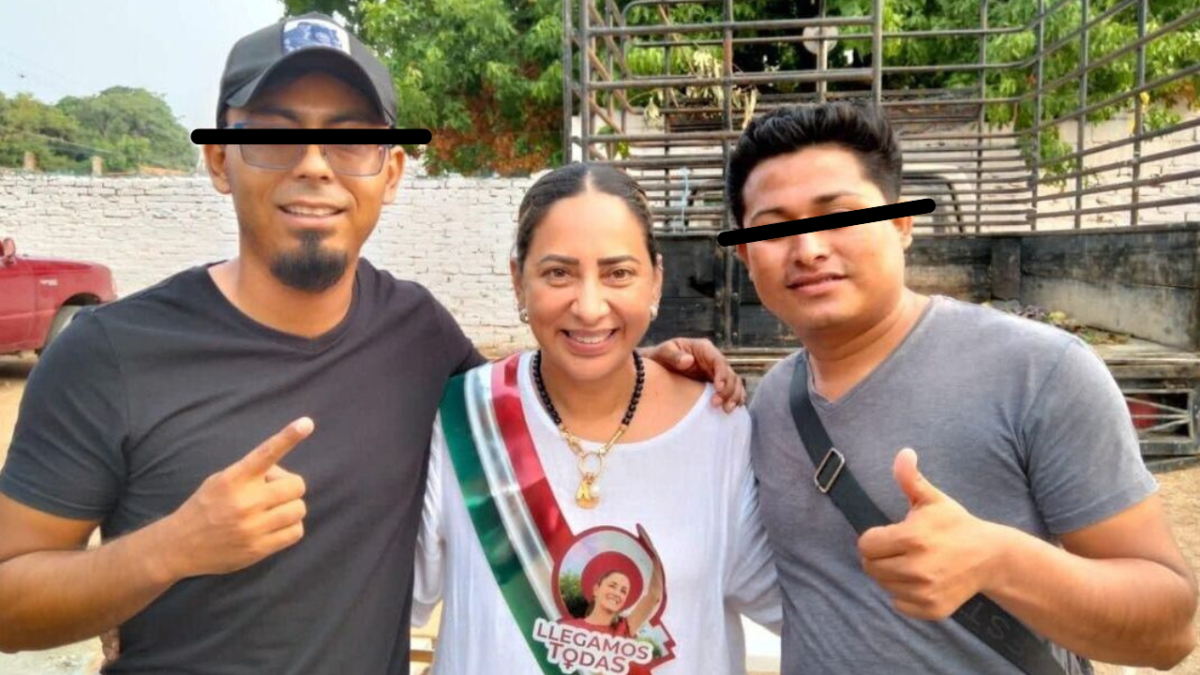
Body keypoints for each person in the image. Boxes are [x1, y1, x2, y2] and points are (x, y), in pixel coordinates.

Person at [0, 13, 743, 674]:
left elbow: (542, 391)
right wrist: (169, 549)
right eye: (275, 133)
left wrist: (639, 360)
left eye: (351, 138)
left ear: (390, 171)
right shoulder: (108, 354)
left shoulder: (419, 334)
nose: (314, 163)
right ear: (220, 158)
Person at [728, 101, 1198, 674]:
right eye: (774, 228)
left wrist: (999, 561)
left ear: (901, 224)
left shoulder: (1038, 372)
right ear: (746, 253)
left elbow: (1170, 632)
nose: (808, 249)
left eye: (839, 215)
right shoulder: (773, 401)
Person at [413, 163, 781, 675]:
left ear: (656, 280)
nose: (589, 307)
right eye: (558, 273)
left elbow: (804, 604)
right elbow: (390, 599)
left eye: (618, 273)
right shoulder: (461, 421)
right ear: (518, 280)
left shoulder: (721, 429)